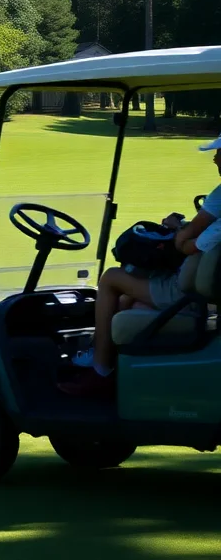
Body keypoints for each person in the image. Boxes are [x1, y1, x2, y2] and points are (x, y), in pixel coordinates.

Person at [60, 137, 221, 397]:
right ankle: (107, 362)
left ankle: (100, 371)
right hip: (197, 293)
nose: (215, 159)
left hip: (184, 294)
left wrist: (180, 233)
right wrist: (183, 233)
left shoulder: (220, 202)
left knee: (112, 278)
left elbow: (186, 244)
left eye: (220, 154)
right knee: (127, 301)